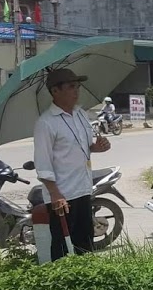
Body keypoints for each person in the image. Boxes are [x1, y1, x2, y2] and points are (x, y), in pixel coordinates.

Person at [33, 68, 111, 260]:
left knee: (85, 244)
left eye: (77, 86)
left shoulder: (81, 114)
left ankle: (85, 283)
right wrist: (55, 194)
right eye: (70, 87)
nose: (76, 91)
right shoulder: (46, 123)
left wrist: (97, 147)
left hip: (83, 188)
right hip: (62, 196)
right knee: (62, 248)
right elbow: (43, 163)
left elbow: (84, 146)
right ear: (55, 91)